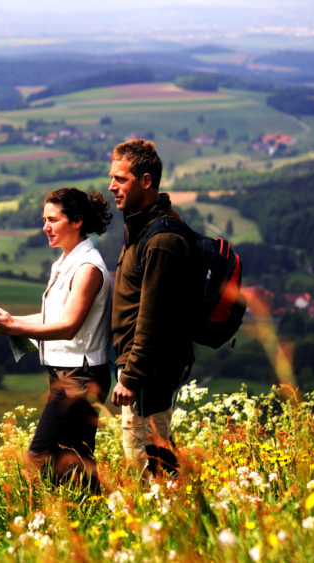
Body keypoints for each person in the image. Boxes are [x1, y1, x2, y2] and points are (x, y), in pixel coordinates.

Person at [0, 187, 114, 488]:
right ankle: (101, 512)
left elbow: (68, 326)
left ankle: (42, 512)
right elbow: (53, 317)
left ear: (77, 221)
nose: (45, 226)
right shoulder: (65, 263)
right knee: (75, 463)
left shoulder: (87, 268)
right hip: (70, 374)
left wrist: (14, 328)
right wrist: (11, 320)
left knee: (37, 458)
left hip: (79, 377)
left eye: (53, 220)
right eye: (44, 219)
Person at [107, 139, 193, 478]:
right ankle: (177, 503)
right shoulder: (142, 226)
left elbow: (153, 317)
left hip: (149, 373)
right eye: (112, 178)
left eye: (120, 179)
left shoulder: (160, 240)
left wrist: (130, 376)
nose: (112, 186)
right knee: (155, 458)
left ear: (145, 181)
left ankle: (170, 509)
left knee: (145, 465)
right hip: (145, 369)